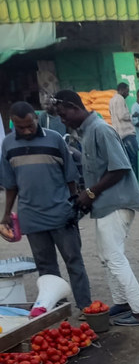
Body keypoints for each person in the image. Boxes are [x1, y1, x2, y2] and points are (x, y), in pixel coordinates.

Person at [54, 89, 139, 327]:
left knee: (114, 257)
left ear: (74, 107)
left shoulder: (101, 130)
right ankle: (122, 302)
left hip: (116, 202)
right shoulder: (87, 132)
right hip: (105, 204)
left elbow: (119, 168)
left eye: (64, 113)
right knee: (106, 256)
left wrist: (91, 192)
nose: (62, 119)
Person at [1, 101, 92, 314]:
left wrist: (74, 207)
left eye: (29, 125)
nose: (26, 130)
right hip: (31, 218)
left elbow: (71, 177)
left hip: (61, 214)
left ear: (36, 118)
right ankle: (55, 310)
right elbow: (10, 184)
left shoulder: (54, 139)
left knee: (74, 262)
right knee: (46, 267)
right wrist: (6, 214)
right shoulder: (7, 144)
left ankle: (85, 306)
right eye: (20, 126)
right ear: (13, 123)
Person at [109, 82, 139, 178]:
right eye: (127, 91)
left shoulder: (112, 100)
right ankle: (138, 180)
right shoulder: (120, 99)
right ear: (122, 90)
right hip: (127, 133)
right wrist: (132, 115)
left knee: (127, 160)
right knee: (135, 158)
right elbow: (122, 116)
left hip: (119, 134)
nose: (127, 94)